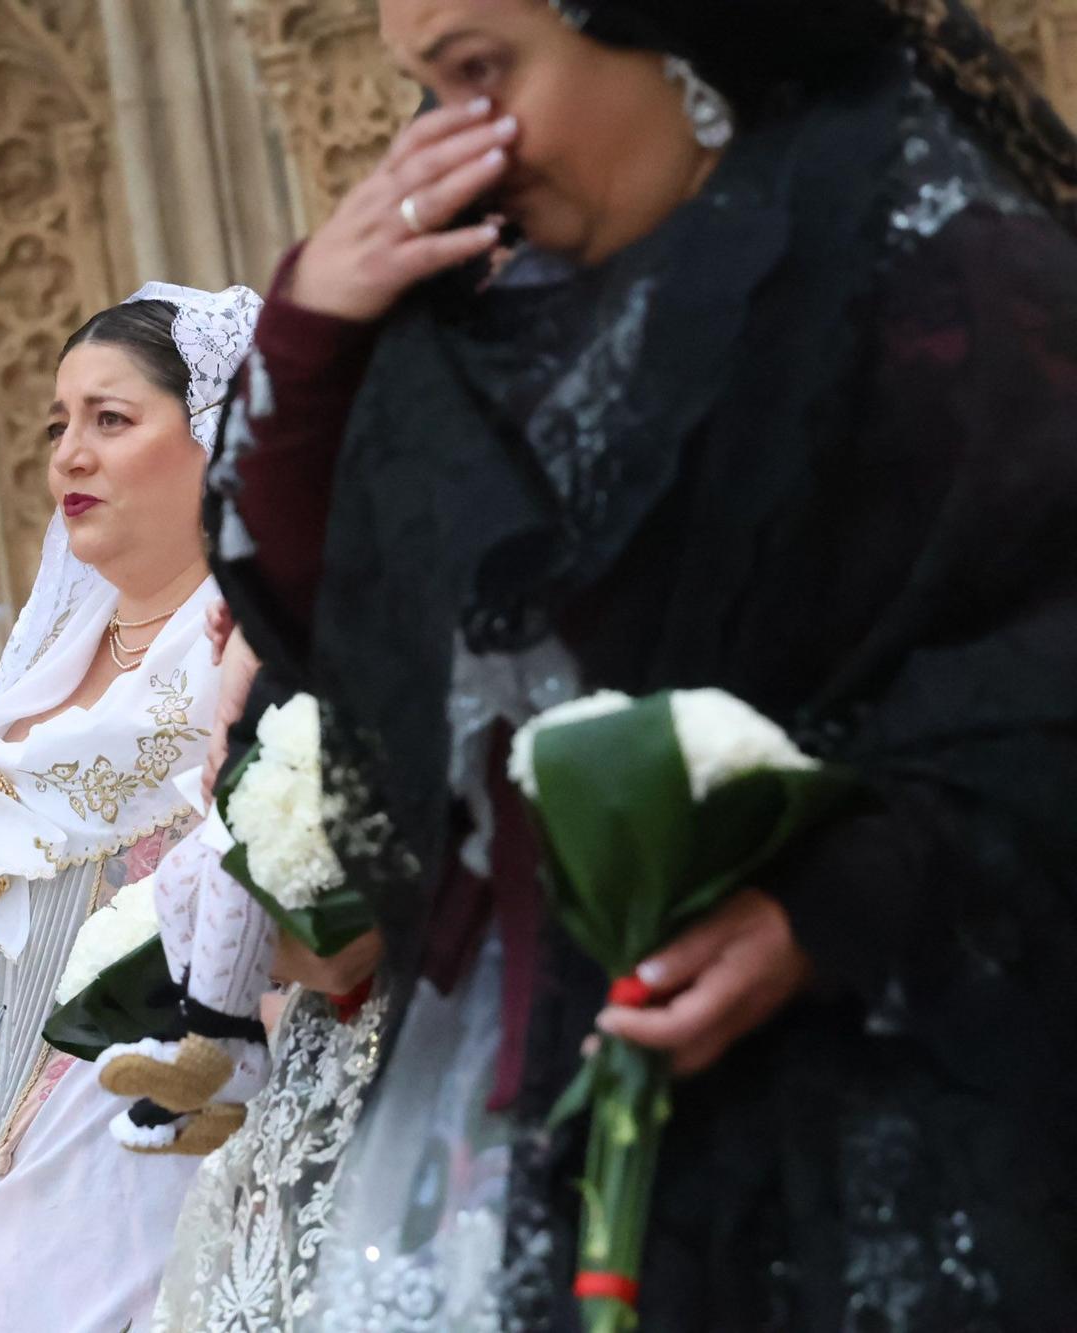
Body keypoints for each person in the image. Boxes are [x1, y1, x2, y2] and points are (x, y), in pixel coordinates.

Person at [161, 2, 1077, 1329]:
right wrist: (316, 339)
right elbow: (370, 644)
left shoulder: (938, 275)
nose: (462, 138)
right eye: (429, 87)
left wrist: (840, 897)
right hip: (573, 1123)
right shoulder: (498, 329)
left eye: (486, 70)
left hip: (903, 1105)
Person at [0, 282, 262, 1332]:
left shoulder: (245, 656)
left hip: (156, 1164)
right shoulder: (34, 674)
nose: (69, 453)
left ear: (212, 439)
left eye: (110, 420)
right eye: (59, 424)